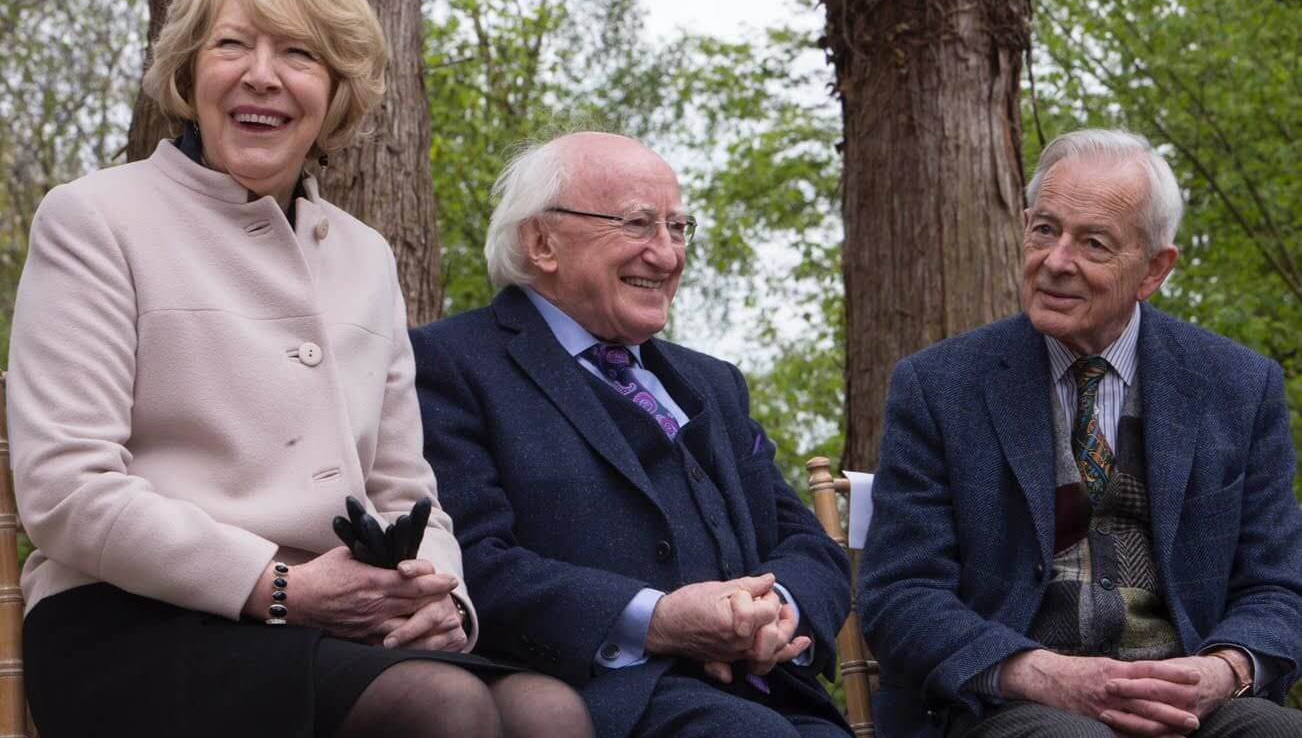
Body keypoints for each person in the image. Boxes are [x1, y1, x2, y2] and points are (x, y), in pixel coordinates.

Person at [5, 0, 591, 738]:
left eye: (299, 54)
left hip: (331, 625)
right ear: (189, 70)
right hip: (127, 618)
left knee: (546, 711)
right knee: (442, 707)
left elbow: (406, 492)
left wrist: (442, 597)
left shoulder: (365, 256)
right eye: (232, 45)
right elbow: (67, 488)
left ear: (335, 90)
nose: (262, 75)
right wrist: (279, 586)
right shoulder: (94, 218)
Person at [858, 129, 1302, 738]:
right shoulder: (939, 387)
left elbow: (1279, 584)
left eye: (1093, 243)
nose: (1056, 261)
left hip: (1190, 702)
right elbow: (901, 593)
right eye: (1045, 230)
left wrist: (1222, 671)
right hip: (1012, 704)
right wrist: (1040, 673)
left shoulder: (1238, 387)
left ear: (1154, 269)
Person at [410, 131, 852, 738]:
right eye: (638, 224)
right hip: (594, 700)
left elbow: (808, 544)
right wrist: (657, 619)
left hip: (773, 694)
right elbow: (470, 564)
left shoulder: (715, 383)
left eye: (678, 228)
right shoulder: (448, 364)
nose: (667, 256)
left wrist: (776, 612)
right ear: (541, 242)